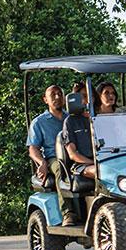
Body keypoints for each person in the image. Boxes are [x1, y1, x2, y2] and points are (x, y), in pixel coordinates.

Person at [57, 92, 96, 225]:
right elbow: (73, 154)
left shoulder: (93, 119)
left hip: (103, 162)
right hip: (81, 165)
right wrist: (94, 163)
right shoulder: (70, 122)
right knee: (100, 172)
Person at [25, 84, 64, 186]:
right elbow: (33, 149)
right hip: (54, 159)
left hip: (74, 156)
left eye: (60, 94)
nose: (57, 97)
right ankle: (65, 202)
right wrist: (42, 162)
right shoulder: (39, 122)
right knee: (62, 170)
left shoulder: (71, 118)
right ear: (45, 100)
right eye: (53, 95)